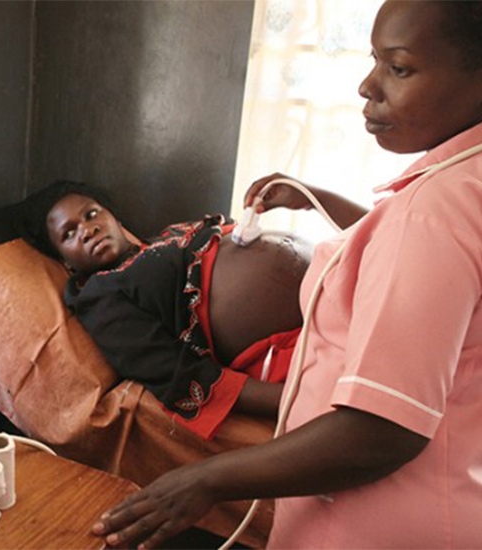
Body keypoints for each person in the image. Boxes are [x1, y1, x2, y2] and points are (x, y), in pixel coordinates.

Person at [91, 1, 482, 548]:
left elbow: (383, 429)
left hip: (377, 522)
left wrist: (208, 478)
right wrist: (316, 201)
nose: (367, 86)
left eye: (398, 67)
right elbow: (170, 365)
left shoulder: (433, 211)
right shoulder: (104, 290)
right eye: (375, 61)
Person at [22, 180, 312, 440]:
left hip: (333, 288)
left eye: (92, 214)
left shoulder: (166, 237)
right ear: (67, 263)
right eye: (69, 234)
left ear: (115, 218)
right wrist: (291, 399)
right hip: (295, 346)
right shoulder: (100, 295)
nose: (87, 230)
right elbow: (172, 371)